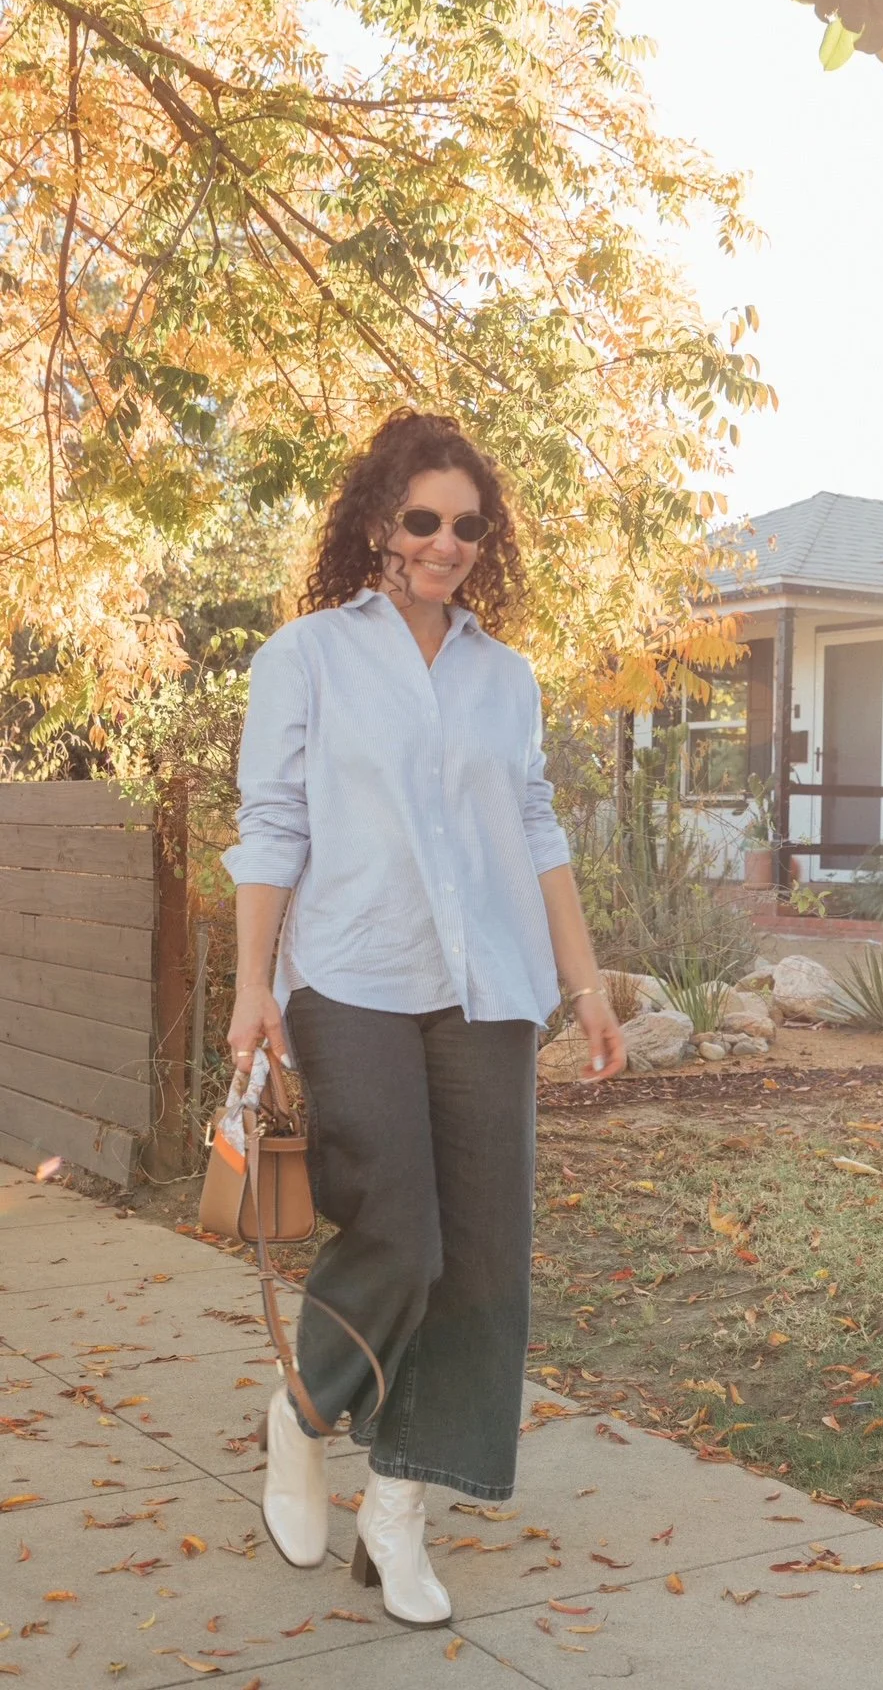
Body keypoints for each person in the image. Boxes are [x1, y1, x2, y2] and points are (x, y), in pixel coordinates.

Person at [222, 409, 626, 1625]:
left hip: (488, 986)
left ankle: (396, 1512)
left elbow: (536, 827)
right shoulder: (306, 657)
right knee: (397, 1228)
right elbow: (273, 825)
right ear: (376, 523)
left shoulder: (507, 677)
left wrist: (587, 987)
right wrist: (251, 985)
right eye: (423, 519)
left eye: (468, 525)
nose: (447, 542)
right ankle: (303, 1415)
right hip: (350, 974)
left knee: (483, 1259)